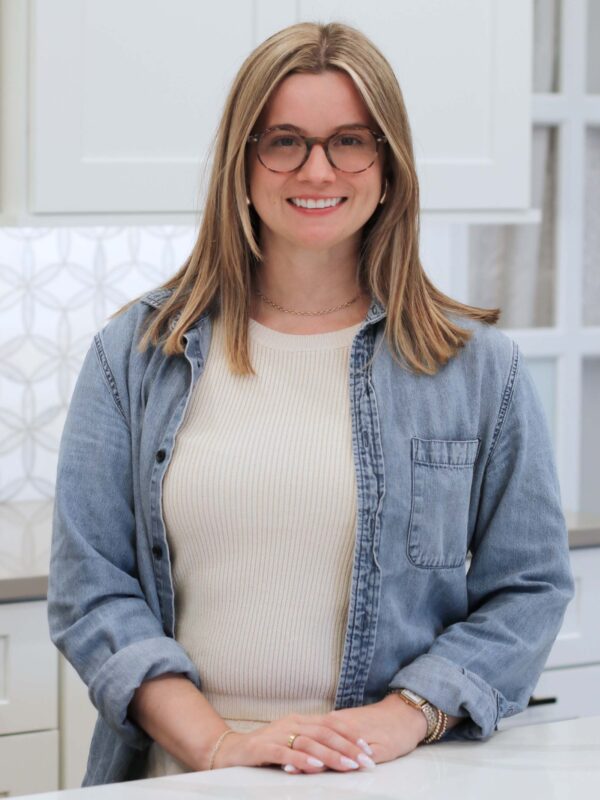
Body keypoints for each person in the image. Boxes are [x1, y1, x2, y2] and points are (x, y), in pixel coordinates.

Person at [47, 20, 574, 787]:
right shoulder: (135, 355)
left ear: (388, 164)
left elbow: (528, 588)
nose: (317, 170)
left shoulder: (477, 369)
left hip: (387, 775)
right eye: (284, 140)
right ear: (243, 161)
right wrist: (221, 747)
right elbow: (91, 590)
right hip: (185, 775)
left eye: (350, 141)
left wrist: (400, 719)